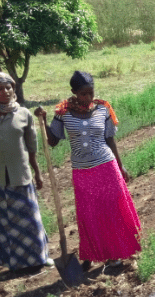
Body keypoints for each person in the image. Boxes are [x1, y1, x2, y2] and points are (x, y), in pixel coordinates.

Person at [36, 71, 141, 271]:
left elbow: (110, 140)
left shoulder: (103, 109)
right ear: (74, 92)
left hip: (107, 167)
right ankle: (94, 253)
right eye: (83, 94)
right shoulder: (63, 113)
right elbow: (53, 141)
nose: (87, 98)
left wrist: (120, 165)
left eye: (90, 93)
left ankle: (116, 254)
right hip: (82, 171)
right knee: (90, 214)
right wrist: (43, 120)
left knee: (112, 211)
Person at [0, 72, 52, 276]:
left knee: (29, 219)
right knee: (3, 222)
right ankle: (12, 262)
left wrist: (37, 172)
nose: (6, 92)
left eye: (9, 87)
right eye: (0, 88)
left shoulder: (23, 113)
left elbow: (32, 147)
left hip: (20, 174)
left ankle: (39, 258)